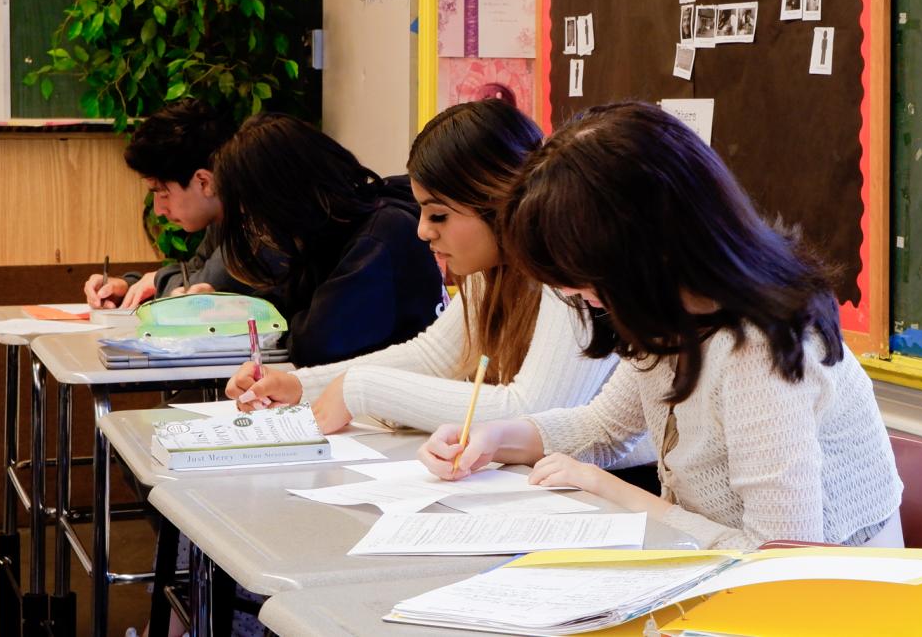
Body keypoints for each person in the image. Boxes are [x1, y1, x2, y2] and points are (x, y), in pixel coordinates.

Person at [418, 102, 903, 550]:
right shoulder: (673, 313)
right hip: (712, 576)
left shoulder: (760, 349)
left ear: (644, 248)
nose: (574, 294)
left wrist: (629, 497)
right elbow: (603, 429)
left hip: (830, 604)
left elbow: (781, 559)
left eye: (583, 276)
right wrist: (491, 439)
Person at [227, 101, 652, 454]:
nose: (423, 230)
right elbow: (436, 357)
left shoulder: (570, 276)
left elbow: (534, 408)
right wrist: (299, 385)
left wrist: (360, 389)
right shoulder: (492, 269)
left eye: (440, 214)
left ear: (495, 200)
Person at [213, 113, 445, 367]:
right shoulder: (335, 233)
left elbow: (317, 345)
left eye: (254, 215)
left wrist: (289, 321)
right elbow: (285, 304)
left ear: (280, 199)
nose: (258, 228)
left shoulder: (381, 235)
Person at [83, 99, 254, 309]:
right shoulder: (222, 219)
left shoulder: (255, 229)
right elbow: (192, 271)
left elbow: (192, 291)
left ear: (205, 182)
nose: (158, 209)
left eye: (162, 193)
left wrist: (155, 280)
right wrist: (129, 287)